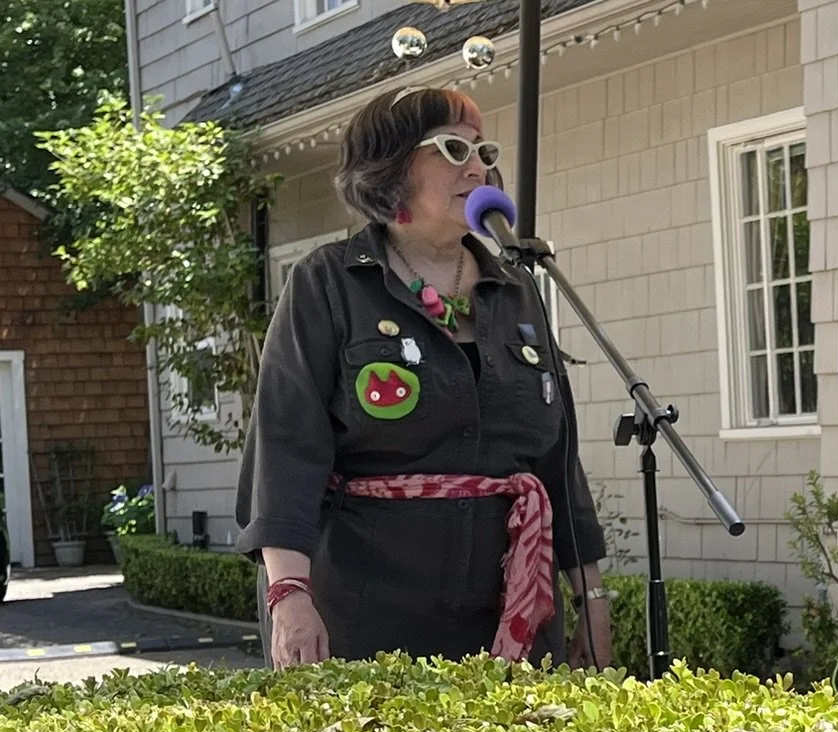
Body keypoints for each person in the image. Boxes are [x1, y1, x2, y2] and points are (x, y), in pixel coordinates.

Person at [236, 87, 611, 668]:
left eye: (484, 151)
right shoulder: (328, 283)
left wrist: (592, 596)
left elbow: (558, 461)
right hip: (364, 610)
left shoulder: (518, 291)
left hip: (510, 611)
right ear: (390, 165)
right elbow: (285, 449)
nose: (478, 167)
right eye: (453, 149)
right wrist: (288, 595)